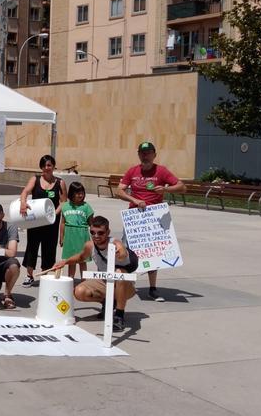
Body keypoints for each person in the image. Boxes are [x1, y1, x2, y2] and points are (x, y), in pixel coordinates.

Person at [115, 141, 185, 302]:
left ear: (154, 154)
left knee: (153, 253)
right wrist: (134, 199)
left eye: (148, 152)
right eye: (142, 152)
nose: (145, 156)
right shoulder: (132, 171)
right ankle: (125, 284)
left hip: (154, 218)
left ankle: (153, 288)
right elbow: (119, 190)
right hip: (134, 217)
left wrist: (166, 189)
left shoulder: (161, 171)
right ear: (139, 154)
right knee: (126, 252)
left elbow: (182, 187)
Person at [52, 216, 138, 332]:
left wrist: (121, 252)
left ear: (108, 232)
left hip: (125, 286)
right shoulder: (90, 245)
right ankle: (107, 302)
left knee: (119, 273)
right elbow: (81, 257)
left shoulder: (115, 244)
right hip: (105, 282)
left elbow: (121, 250)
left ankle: (119, 315)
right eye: (92, 232)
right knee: (79, 292)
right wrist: (64, 262)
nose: (96, 236)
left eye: (100, 233)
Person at [18, 154, 67, 287]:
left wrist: (53, 215)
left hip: (51, 222)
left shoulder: (60, 182)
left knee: (49, 248)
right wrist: (23, 203)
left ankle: (44, 275)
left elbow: (63, 202)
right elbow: (25, 192)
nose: (47, 168)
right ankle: (29, 275)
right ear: (41, 167)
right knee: (32, 247)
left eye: (49, 165)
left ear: (53, 166)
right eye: (45, 165)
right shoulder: (35, 179)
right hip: (35, 220)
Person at [59, 182, 94, 278]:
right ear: (71, 193)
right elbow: (62, 223)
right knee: (71, 261)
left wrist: (94, 237)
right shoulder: (65, 206)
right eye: (78, 193)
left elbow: (92, 224)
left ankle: (84, 280)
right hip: (70, 236)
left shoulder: (86, 207)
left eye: (82, 193)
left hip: (82, 236)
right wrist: (61, 237)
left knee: (82, 260)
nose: (80, 195)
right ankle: (70, 279)